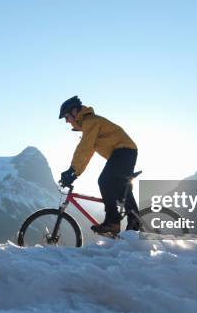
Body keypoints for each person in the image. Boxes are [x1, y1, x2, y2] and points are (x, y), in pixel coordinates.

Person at [58, 96, 140, 234]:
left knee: (105, 180)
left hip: (124, 151)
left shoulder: (90, 122)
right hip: (125, 152)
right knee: (120, 187)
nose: (66, 121)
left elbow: (84, 148)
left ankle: (113, 222)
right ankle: (135, 221)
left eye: (66, 116)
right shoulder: (89, 124)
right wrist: (75, 172)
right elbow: (88, 153)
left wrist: (72, 170)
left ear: (74, 111)